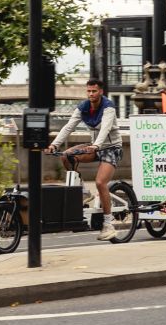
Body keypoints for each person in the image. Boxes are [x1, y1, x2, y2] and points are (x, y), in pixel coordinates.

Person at [47, 78, 122, 241]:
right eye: (88, 91)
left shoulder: (108, 107)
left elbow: (105, 128)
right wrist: (54, 144)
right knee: (67, 156)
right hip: (94, 146)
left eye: (94, 91)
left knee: (100, 183)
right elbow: (68, 127)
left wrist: (96, 145)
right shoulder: (83, 107)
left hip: (111, 148)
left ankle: (108, 224)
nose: (91, 94)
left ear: (100, 92)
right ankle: (83, 192)